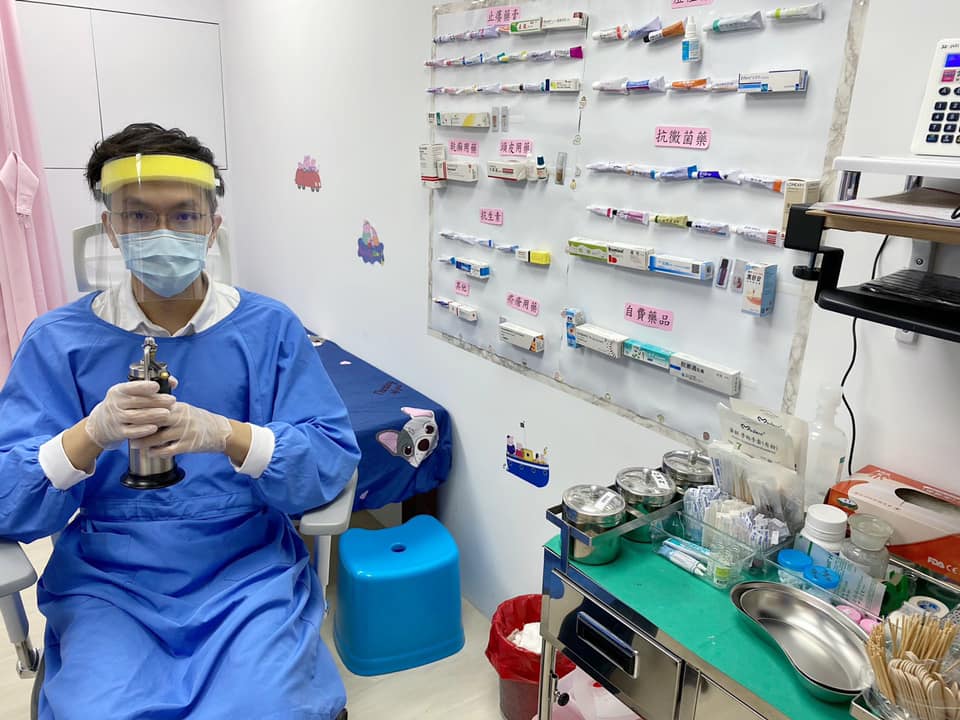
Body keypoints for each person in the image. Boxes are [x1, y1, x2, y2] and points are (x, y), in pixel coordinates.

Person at [0, 123, 361, 720]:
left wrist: (228, 436)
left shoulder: (269, 328)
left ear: (212, 225)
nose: (162, 232)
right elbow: (8, 500)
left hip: (245, 570)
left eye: (184, 215)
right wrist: (91, 435)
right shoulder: (57, 341)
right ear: (111, 228)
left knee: (266, 709)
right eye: (139, 216)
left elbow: (328, 461)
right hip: (110, 580)